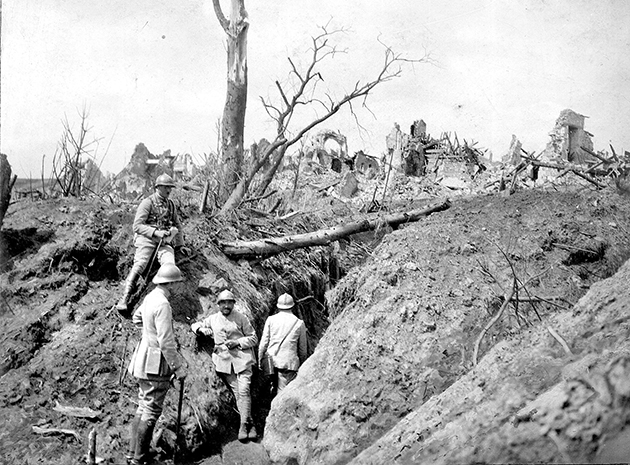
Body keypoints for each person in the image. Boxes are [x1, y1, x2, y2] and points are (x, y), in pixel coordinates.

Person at [126, 263, 187, 465]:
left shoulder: (150, 297)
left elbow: (137, 318)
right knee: (151, 410)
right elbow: (166, 342)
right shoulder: (163, 304)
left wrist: (148, 334)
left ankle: (132, 452)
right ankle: (139, 459)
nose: (179, 287)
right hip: (155, 363)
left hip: (142, 358)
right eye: (177, 284)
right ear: (170, 284)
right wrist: (178, 367)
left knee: (143, 405)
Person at [191, 290, 258, 442]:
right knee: (238, 393)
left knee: (244, 390)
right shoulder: (213, 319)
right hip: (225, 362)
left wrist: (238, 342)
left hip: (243, 360)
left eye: (229, 302)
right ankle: (250, 423)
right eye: (223, 303)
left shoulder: (241, 318)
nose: (226, 306)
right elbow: (194, 325)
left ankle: (243, 425)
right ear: (218, 304)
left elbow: (253, 338)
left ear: (233, 304)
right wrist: (202, 330)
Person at [116, 173, 189, 314]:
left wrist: (180, 245)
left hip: (165, 241)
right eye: (166, 187)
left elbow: (178, 226)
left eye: (170, 188)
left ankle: (163, 297)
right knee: (140, 264)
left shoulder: (171, 205)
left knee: (169, 266)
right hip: (147, 239)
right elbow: (137, 226)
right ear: (158, 187)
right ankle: (124, 298)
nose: (169, 190)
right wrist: (155, 232)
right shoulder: (147, 203)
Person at [258, 293, 307, 394]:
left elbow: (263, 343)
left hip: (271, 361)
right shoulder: (299, 323)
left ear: (278, 306)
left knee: (271, 389)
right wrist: (302, 364)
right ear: (292, 306)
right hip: (288, 363)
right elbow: (303, 349)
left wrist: (260, 359)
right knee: (283, 393)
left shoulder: (270, 320)